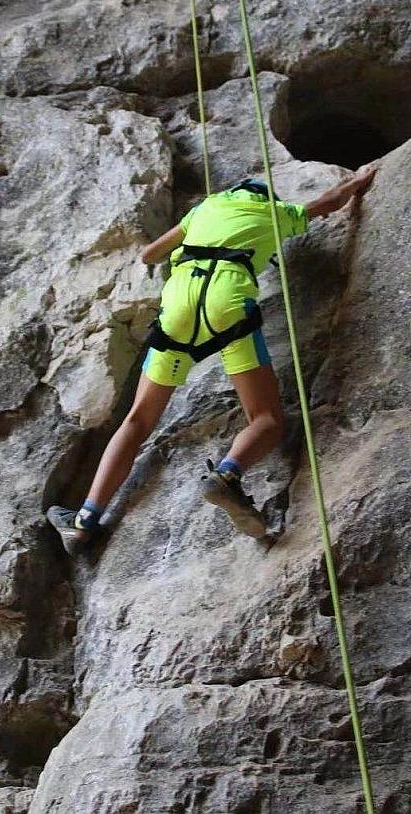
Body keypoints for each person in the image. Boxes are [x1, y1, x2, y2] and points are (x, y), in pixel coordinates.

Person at [47, 163, 377, 552]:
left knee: (137, 420)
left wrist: (191, 232)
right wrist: (356, 182)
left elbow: (150, 255)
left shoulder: (203, 210)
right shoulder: (273, 212)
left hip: (178, 306)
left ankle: (85, 519)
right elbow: (326, 204)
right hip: (227, 303)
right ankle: (226, 475)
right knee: (267, 419)